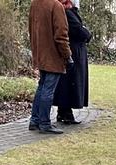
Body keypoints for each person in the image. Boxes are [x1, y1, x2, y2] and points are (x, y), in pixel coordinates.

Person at [28, 0, 73, 134]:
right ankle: (44, 123)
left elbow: (31, 29)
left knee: (42, 87)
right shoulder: (55, 6)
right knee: (48, 89)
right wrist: (67, 55)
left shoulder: (35, 3)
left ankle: (35, 120)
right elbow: (61, 35)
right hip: (52, 56)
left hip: (40, 53)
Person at [53, 0, 92, 125]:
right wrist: (87, 33)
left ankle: (63, 111)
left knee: (68, 82)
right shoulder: (69, 13)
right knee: (71, 82)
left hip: (74, 51)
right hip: (75, 52)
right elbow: (79, 31)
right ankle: (66, 112)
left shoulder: (66, 13)